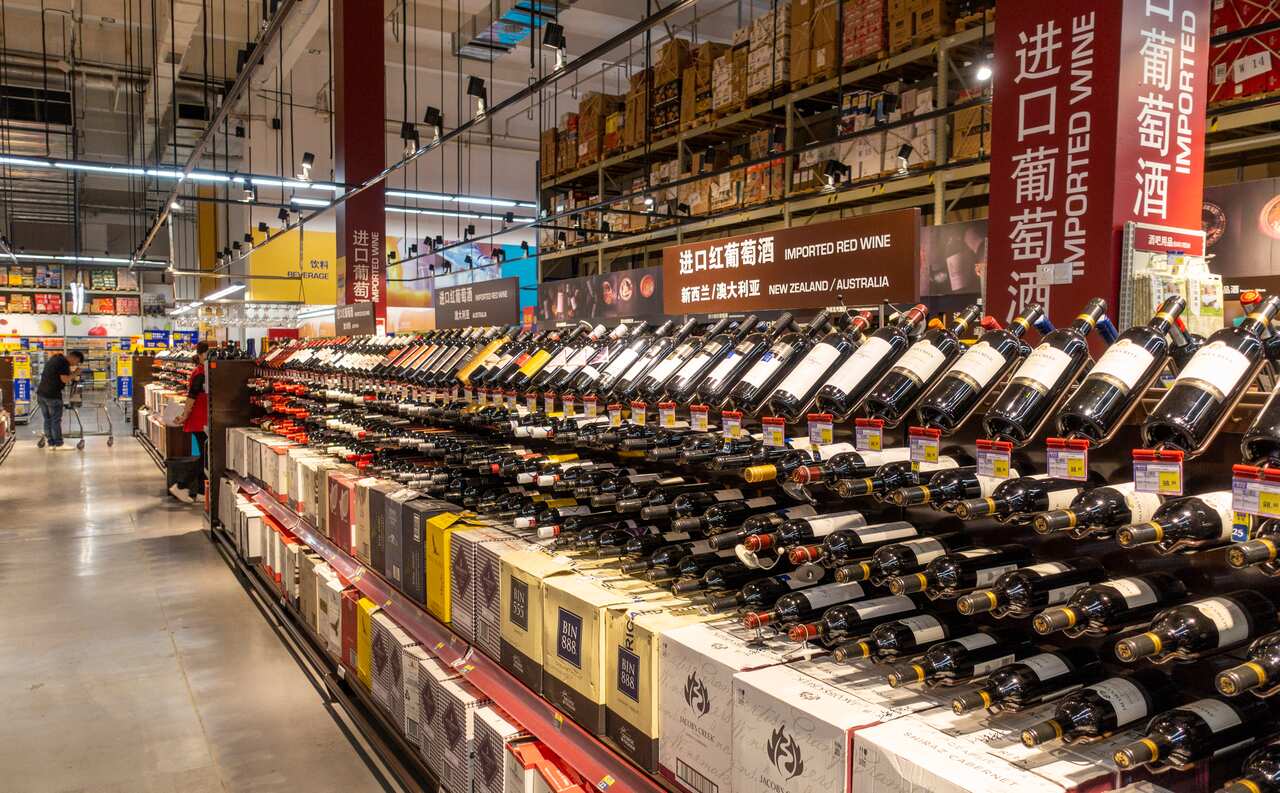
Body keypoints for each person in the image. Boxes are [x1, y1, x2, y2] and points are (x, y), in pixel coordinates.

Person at [170, 341, 209, 503]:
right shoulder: (200, 373)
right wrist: (184, 415)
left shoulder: (202, 371)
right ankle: (180, 486)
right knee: (204, 457)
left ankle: (199, 492)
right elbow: (192, 397)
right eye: (208, 354)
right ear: (201, 354)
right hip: (199, 419)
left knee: (204, 456)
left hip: (201, 418)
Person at [36, 349, 83, 450]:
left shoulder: (55, 358)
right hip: (52, 395)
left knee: (47, 419)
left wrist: (70, 372)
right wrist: (76, 372)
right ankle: (59, 444)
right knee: (55, 420)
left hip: (41, 394)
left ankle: (51, 443)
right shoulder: (64, 363)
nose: (76, 364)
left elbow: (57, 374)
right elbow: (65, 379)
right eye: (77, 361)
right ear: (74, 357)